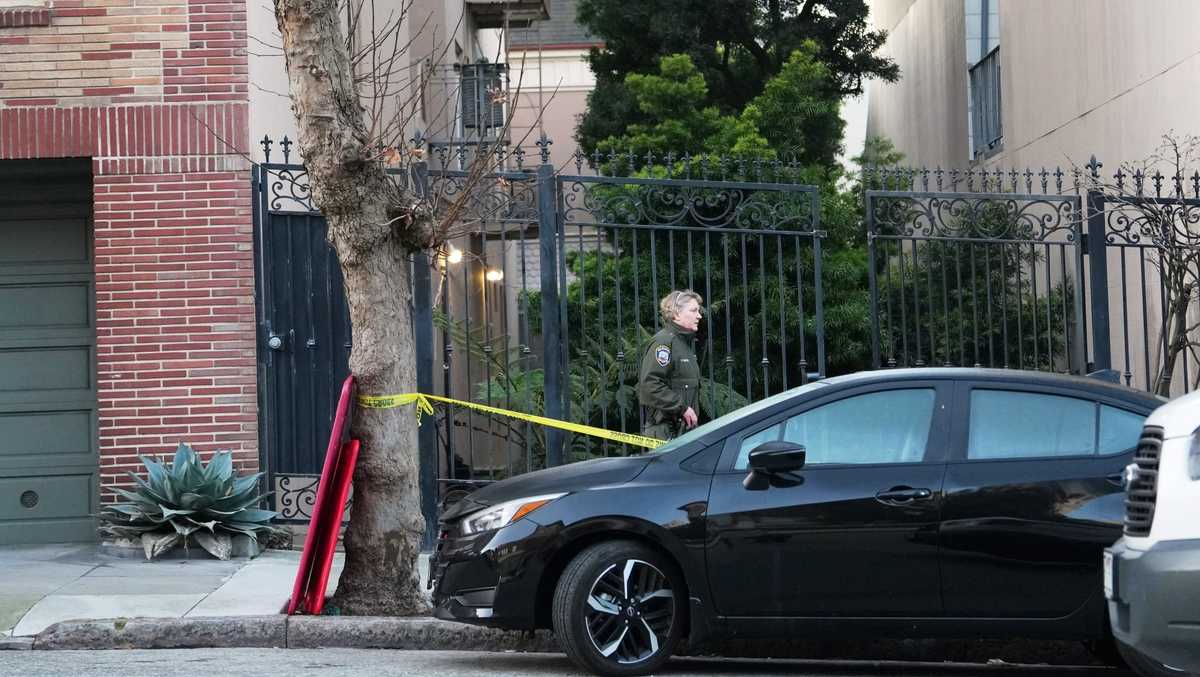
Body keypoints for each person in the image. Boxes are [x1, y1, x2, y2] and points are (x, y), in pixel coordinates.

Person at [638, 290, 703, 440]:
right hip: (666, 433)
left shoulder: (683, 345)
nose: (699, 316)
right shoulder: (664, 343)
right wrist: (683, 409)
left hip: (683, 432)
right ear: (676, 314)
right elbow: (650, 384)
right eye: (694, 310)